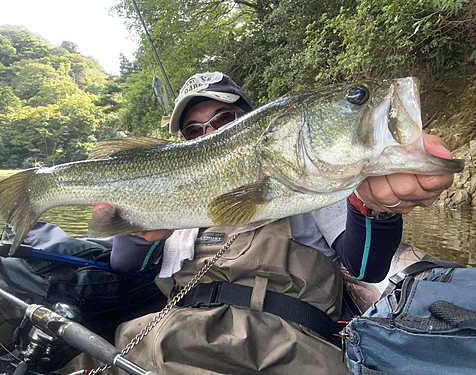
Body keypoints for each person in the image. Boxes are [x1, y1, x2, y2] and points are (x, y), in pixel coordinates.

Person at [78, 72, 453, 375]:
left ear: (254, 122)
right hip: (171, 337)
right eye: (194, 131)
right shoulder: (173, 195)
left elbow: (364, 266)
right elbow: (125, 265)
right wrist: (143, 233)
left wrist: (374, 209)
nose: (210, 134)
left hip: (284, 346)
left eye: (224, 120)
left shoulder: (315, 185)